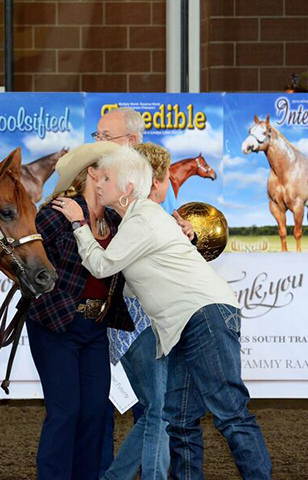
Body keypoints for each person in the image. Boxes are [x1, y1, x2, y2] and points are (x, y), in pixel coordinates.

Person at [53, 144, 272, 480]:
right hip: (193, 320)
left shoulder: (141, 219)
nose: (98, 183)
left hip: (201, 316)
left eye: (106, 178)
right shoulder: (140, 218)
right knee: (182, 420)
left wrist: (79, 224)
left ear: (127, 188)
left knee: (229, 413)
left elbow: (101, 265)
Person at [25, 141, 135, 480]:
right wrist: (67, 312)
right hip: (55, 326)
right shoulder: (55, 215)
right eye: (112, 172)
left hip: (95, 328)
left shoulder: (116, 220)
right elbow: (29, 271)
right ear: (92, 173)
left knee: (94, 413)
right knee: (66, 412)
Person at [93, 108, 193, 478]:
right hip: (140, 320)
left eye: (106, 135)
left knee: (156, 409)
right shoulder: (130, 200)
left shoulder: (128, 200)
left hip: (134, 322)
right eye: (163, 180)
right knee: (159, 410)